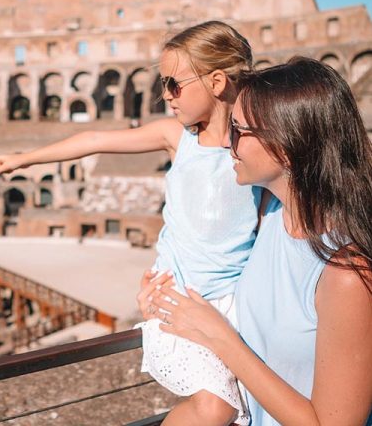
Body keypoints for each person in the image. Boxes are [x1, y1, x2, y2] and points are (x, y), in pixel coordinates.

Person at [0, 21, 260, 425]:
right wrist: (24, 158)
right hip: (178, 298)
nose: (165, 95)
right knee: (217, 407)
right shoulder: (176, 138)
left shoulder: (258, 146)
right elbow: (94, 139)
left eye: (174, 84)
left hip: (238, 304)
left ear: (217, 82)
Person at [146, 58, 372, 425]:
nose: (224, 142)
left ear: (285, 146)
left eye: (237, 130)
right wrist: (162, 295)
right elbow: (208, 264)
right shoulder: (268, 214)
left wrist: (223, 340)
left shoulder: (346, 273)